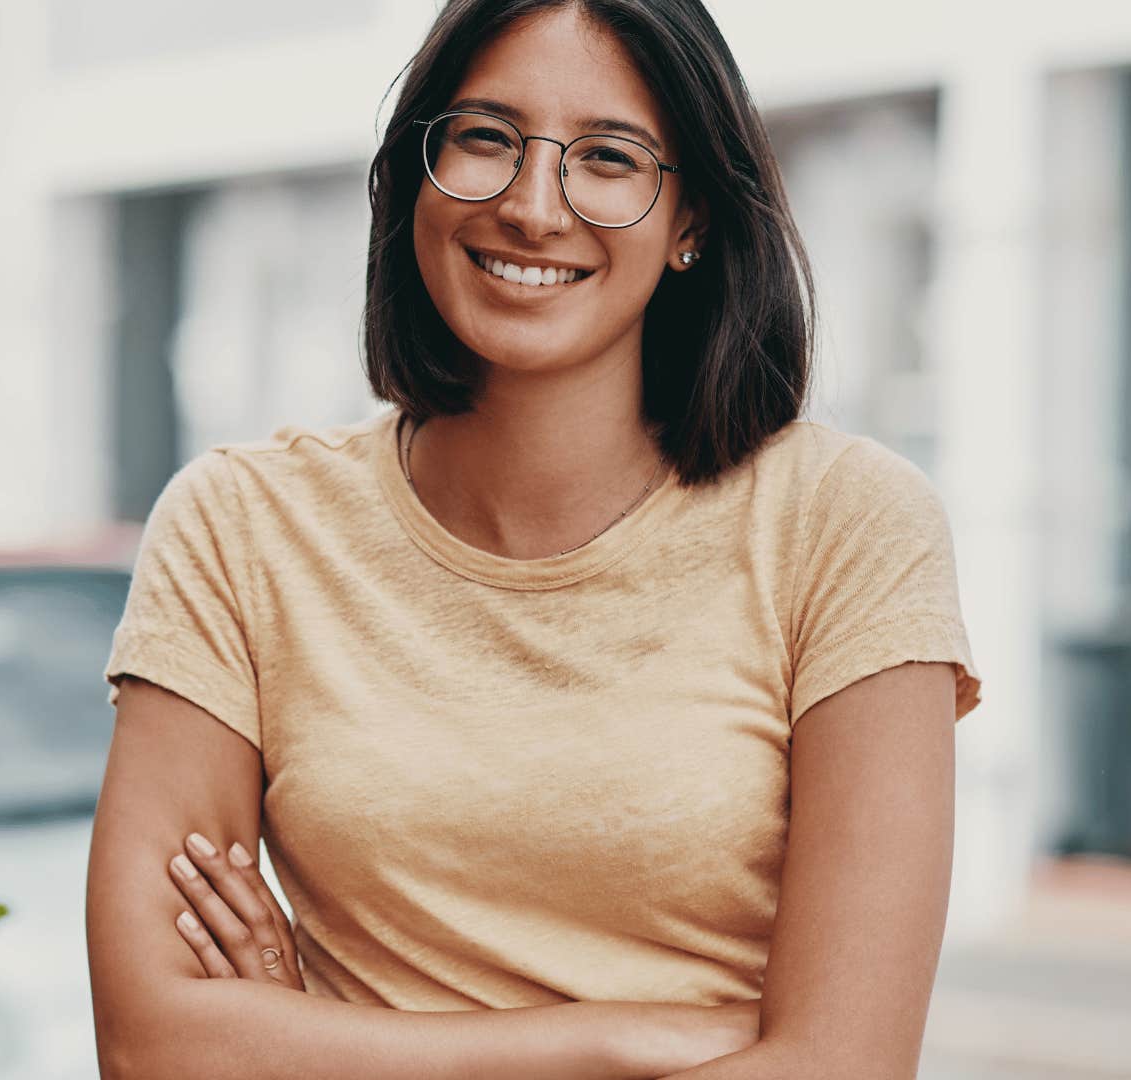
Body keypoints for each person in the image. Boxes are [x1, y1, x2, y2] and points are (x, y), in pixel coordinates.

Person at [85, 1, 983, 1076]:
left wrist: (316, 1049)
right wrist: (611, 1045)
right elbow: (153, 1047)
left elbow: (842, 1066)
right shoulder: (238, 529)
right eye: (484, 138)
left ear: (690, 215)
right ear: (413, 172)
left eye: (608, 157)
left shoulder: (846, 526)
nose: (531, 205)